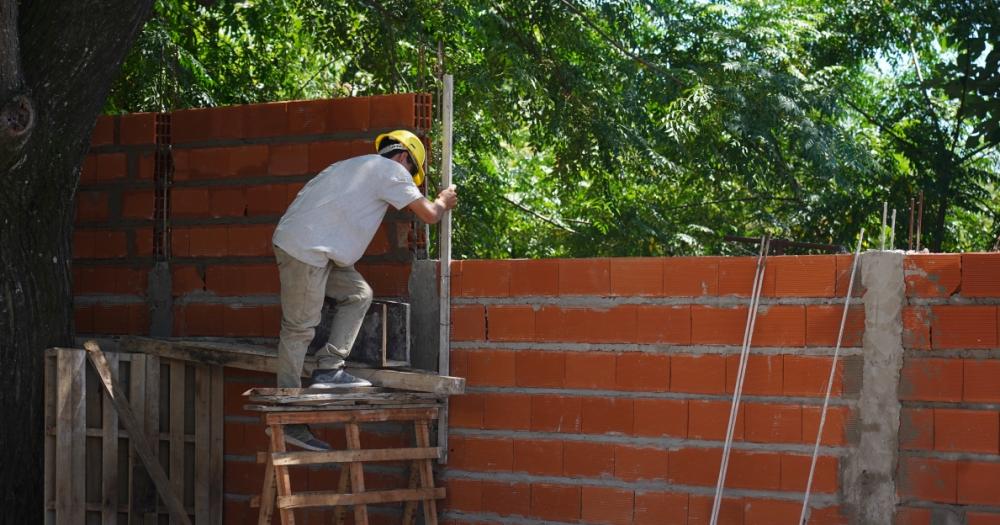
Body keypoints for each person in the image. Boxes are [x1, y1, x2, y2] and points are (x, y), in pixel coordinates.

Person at [270, 129, 457, 450]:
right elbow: (429, 215)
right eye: (412, 173)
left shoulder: (352, 164)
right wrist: (443, 200)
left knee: (358, 294)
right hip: (306, 251)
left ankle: (329, 368)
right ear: (403, 158)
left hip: (314, 248)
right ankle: (288, 417)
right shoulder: (393, 170)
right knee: (298, 329)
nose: (409, 180)